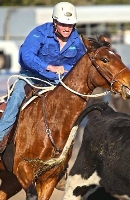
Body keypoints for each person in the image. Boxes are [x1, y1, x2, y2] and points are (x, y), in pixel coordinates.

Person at [0, 2, 86, 153]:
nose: (67, 28)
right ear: (54, 22)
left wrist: (65, 69)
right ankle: (1, 137)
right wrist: (48, 67)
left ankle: (68, 146)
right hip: (32, 77)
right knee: (18, 94)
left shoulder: (76, 40)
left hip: (59, 82)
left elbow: (82, 63)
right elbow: (26, 55)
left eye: (71, 25)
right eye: (63, 24)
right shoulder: (39, 33)